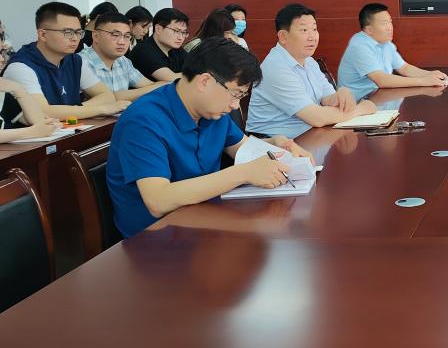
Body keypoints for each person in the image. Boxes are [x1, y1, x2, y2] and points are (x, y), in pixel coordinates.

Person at [106, 38, 312, 238]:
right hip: (155, 240)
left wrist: (276, 144)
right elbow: (158, 201)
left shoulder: (211, 111)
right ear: (205, 81)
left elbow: (243, 149)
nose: (235, 106)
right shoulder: (144, 120)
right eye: (236, 94)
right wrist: (244, 173)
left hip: (204, 221)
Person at [247, 4, 376, 138]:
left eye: (314, 29)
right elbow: (316, 118)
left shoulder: (309, 62)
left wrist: (341, 94)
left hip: (308, 135)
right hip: (275, 144)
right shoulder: (275, 68)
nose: (312, 37)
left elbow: (327, 99)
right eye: (304, 30)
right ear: (283, 36)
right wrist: (360, 109)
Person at [1, 2, 127, 120]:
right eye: (68, 32)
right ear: (43, 35)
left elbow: (107, 96)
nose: (75, 38)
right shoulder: (20, 67)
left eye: (78, 32)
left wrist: (73, 110)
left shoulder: (75, 61)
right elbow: (42, 112)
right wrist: (100, 109)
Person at [339, 3, 448, 101]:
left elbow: (404, 68)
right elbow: (382, 80)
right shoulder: (359, 45)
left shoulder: (386, 43)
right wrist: (424, 81)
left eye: (390, 22)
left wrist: (430, 74)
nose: (390, 27)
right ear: (369, 30)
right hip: (357, 105)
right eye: (384, 23)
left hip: (378, 98)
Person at [81, 13, 166, 102]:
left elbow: (150, 86)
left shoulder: (123, 61)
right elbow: (108, 98)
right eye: (115, 35)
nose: (122, 42)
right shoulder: (81, 62)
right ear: (96, 36)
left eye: (127, 36)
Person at [127, 7, 189, 82]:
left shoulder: (176, 48)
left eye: (183, 32)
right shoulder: (143, 51)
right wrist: (191, 74)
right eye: (176, 31)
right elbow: (172, 79)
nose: (181, 37)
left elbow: (198, 68)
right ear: (158, 29)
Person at [0, 76, 63, 141]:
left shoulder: (3, 93)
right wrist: (31, 132)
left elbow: (39, 121)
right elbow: (37, 130)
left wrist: (19, 89)